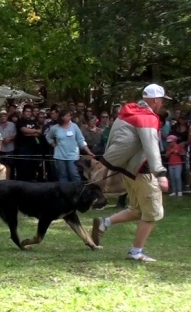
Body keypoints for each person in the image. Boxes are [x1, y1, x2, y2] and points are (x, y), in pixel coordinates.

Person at [91, 83, 170, 262]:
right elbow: (151, 147)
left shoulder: (128, 113)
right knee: (153, 213)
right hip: (142, 171)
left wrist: (113, 164)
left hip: (127, 171)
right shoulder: (147, 118)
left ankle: (105, 223)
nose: (162, 104)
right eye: (162, 101)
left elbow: (112, 140)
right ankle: (135, 252)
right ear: (156, 100)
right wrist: (160, 173)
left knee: (136, 209)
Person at [46, 109, 94, 182]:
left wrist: (88, 152)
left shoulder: (74, 126)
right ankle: (64, 191)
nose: (69, 117)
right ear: (62, 117)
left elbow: (81, 140)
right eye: (67, 116)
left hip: (73, 155)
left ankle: (78, 191)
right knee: (62, 175)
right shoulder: (55, 128)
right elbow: (48, 136)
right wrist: (54, 145)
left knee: (74, 174)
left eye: (70, 116)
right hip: (60, 156)